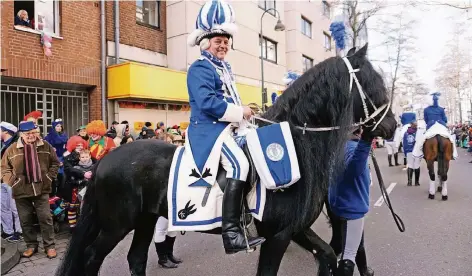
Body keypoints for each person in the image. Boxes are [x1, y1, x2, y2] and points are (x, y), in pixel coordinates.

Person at [185, 0, 264, 253]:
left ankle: (250, 214)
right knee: (239, 165)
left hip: (229, 129)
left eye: (226, 41)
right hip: (209, 131)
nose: (223, 45)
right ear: (205, 43)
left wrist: (247, 117)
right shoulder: (200, 67)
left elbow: (232, 102)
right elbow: (208, 103)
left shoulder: (224, 68)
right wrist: (241, 111)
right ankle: (231, 234)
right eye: (218, 41)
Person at [1, 121, 59, 258]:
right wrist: (12, 182)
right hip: (21, 190)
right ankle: (31, 245)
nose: (31, 136)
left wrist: (49, 177)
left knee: (45, 218)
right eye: (28, 134)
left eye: (34, 132)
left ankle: (49, 246)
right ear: (21, 134)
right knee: (25, 220)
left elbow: (55, 163)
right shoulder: (12, 149)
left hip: (42, 188)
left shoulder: (45, 145)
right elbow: (4, 168)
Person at [327, 127, 375, 276]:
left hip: (339, 204)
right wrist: (366, 141)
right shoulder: (353, 147)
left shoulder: (338, 146)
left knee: (355, 241)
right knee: (349, 254)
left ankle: (364, 271)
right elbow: (353, 170)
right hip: (351, 208)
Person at [413, 92, 458, 160]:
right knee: (451, 139)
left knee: (421, 140)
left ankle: (419, 154)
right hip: (441, 125)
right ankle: (453, 154)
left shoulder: (426, 110)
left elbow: (426, 119)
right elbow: (445, 119)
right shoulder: (441, 109)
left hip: (431, 126)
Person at [1, 122, 23, 242]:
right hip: (2, 180)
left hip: (11, 180)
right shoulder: (2, 145)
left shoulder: (15, 146)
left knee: (15, 207)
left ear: (5, 131)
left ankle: (19, 231)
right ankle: (7, 231)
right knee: (3, 207)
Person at [44, 118, 68, 196]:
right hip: (53, 159)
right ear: (54, 127)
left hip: (62, 158)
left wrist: (63, 159)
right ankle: (52, 196)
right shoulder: (48, 137)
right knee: (53, 178)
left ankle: (60, 196)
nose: (59, 128)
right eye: (57, 126)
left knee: (62, 178)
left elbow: (66, 148)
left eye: (60, 126)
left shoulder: (64, 136)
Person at [403, 122, 421, 186]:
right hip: (417, 152)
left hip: (409, 151)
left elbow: (404, 144)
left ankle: (409, 182)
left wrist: (405, 153)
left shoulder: (406, 133)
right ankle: (416, 182)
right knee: (417, 166)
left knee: (410, 165)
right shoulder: (418, 133)